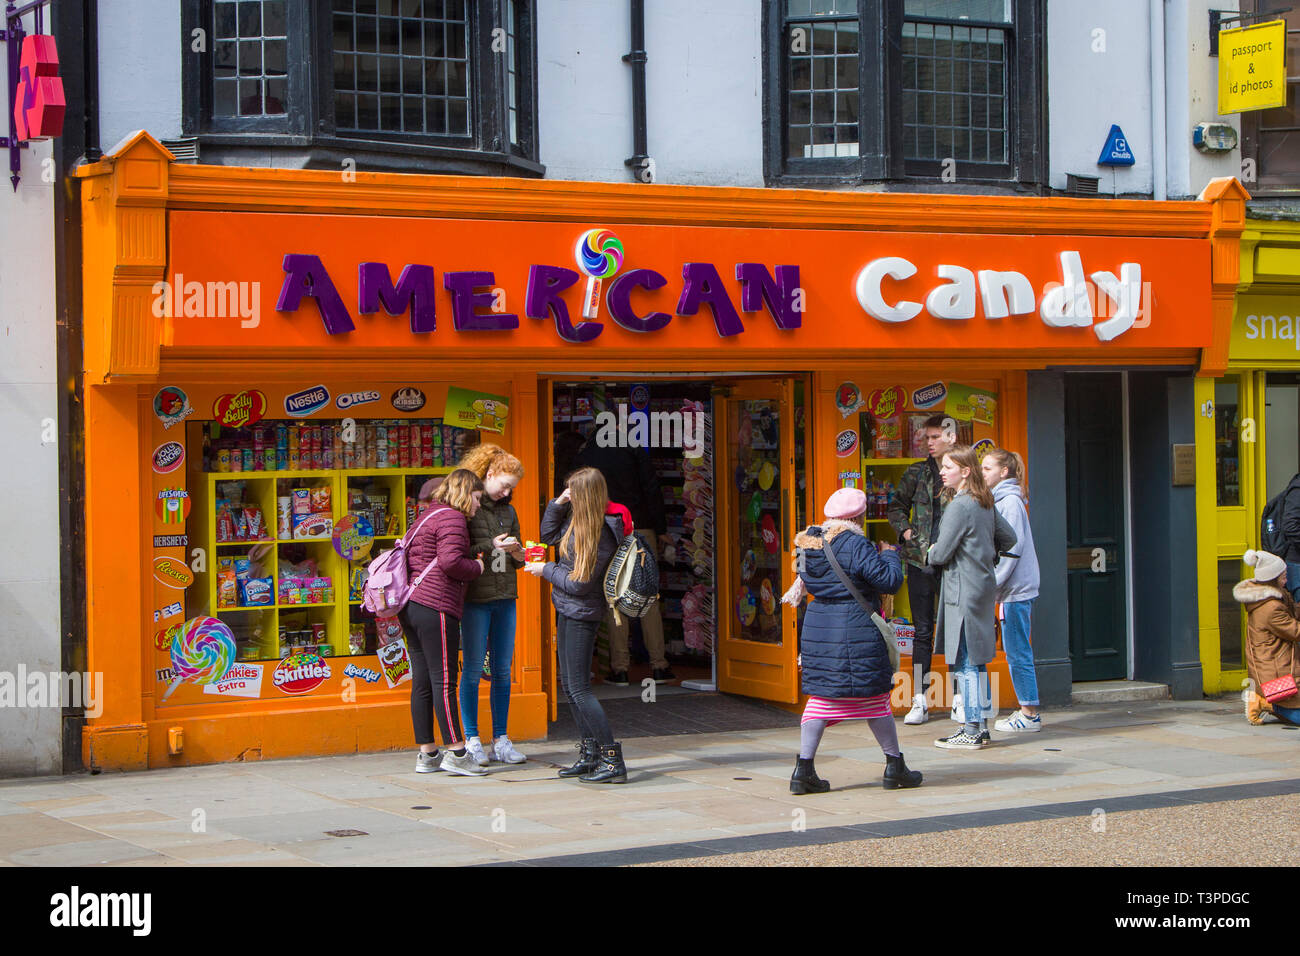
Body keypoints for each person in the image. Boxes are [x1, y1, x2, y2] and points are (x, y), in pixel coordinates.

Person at [782, 487, 919, 793]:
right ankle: (894, 766)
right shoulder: (856, 544)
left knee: (820, 699)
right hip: (855, 626)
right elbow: (889, 582)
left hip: (818, 627)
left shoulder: (808, 542)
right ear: (859, 516)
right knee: (874, 699)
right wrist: (888, 555)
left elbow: (808, 579)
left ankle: (803, 770)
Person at [526, 467, 631, 783]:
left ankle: (611, 759)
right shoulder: (579, 522)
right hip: (570, 610)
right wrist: (558, 503)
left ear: (585, 497)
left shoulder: (599, 531)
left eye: (572, 492)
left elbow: (579, 584)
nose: (568, 496)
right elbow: (547, 534)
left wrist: (546, 569)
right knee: (571, 688)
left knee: (579, 689)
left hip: (581, 613)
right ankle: (590, 754)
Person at [926, 445, 1017, 750]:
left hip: (962, 590)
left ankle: (972, 729)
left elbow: (940, 552)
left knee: (965, 661)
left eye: (948, 466)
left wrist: (930, 552)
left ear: (965, 472)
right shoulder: (985, 501)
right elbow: (1010, 539)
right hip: (982, 587)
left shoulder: (960, 506)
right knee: (976, 659)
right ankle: (980, 725)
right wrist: (985, 556)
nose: (942, 471)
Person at [399, 469, 486, 776]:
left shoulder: (429, 514)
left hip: (411, 605)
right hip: (436, 604)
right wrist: (476, 566)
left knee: (422, 680)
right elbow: (451, 562)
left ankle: (427, 753)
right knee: (445, 679)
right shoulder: (452, 517)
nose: (478, 506)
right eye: (476, 498)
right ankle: (457, 752)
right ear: (465, 494)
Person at [576, 425, 675, 685]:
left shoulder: (588, 455)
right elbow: (651, 488)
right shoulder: (634, 451)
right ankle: (659, 666)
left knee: (615, 597)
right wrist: (661, 529)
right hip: (640, 527)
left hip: (604, 529)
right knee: (648, 594)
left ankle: (619, 668)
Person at [457, 443, 528, 766]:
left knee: (501, 670)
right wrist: (491, 545)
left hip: (505, 596)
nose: (507, 492)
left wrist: (517, 553)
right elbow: (459, 549)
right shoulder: (467, 506)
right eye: (505, 485)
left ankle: (501, 738)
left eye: (511, 488)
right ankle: (472, 739)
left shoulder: (508, 511)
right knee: (472, 670)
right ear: (490, 474)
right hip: (475, 598)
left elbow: (519, 559)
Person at [887, 414, 954, 724]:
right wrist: (906, 532)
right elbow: (896, 506)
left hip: (954, 561)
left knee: (955, 629)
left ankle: (960, 698)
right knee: (922, 631)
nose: (929, 442)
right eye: (926, 437)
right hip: (920, 560)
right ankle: (919, 700)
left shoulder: (963, 472)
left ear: (951, 437)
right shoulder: (916, 472)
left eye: (935, 437)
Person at [981, 448, 1043, 733]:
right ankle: (1027, 710)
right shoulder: (1004, 500)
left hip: (1014, 592)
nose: (983, 473)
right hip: (1012, 591)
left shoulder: (1010, 503)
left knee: (1018, 651)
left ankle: (1029, 713)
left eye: (987, 468)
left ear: (1003, 472)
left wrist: (992, 586)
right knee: (1017, 649)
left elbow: (1011, 550)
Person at [1234, 549, 1300, 727]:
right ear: (1273, 578)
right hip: (1275, 670)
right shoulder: (1270, 607)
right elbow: (1295, 631)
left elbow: (1294, 612)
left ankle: (1269, 700)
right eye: (1283, 576)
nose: (1286, 580)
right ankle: (1266, 702)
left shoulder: (1275, 596)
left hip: (1279, 664)